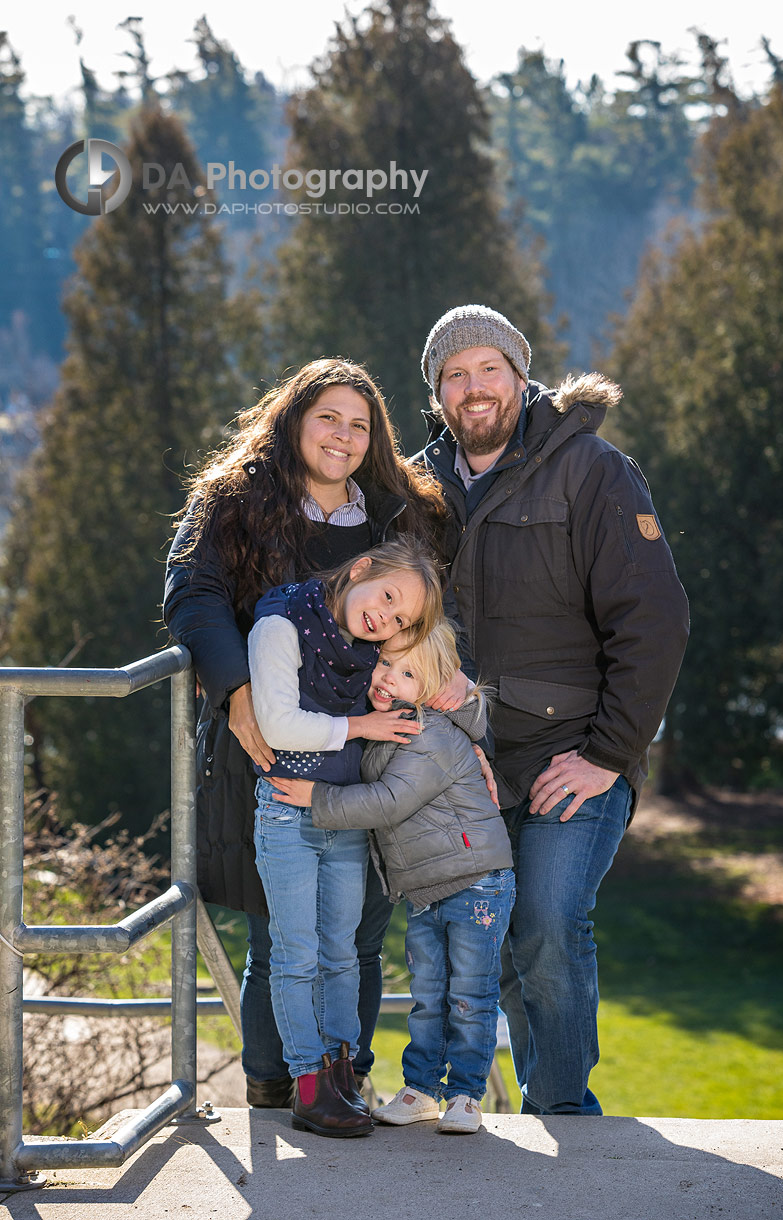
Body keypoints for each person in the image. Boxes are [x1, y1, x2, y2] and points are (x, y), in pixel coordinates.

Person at [163, 358, 466, 1110]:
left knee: (360, 931)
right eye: (328, 417)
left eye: (360, 425)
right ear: (294, 418)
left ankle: (345, 1080)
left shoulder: (400, 513)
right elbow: (192, 594)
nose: (343, 436)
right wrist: (233, 688)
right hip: (273, 744)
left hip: (372, 756)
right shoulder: (231, 500)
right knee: (280, 933)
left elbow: (427, 616)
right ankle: (277, 1086)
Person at [413, 304, 690, 1116]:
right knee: (493, 933)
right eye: (453, 375)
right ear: (436, 393)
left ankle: (566, 1115)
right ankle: (541, 1108)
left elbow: (656, 619)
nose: (473, 389)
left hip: (574, 753)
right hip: (468, 765)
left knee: (545, 922)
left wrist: (607, 754)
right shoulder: (420, 488)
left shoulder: (592, 470)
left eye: (487, 369)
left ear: (519, 374)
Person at [272, 619, 514, 1135]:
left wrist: (316, 799)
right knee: (428, 994)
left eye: (406, 673)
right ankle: (422, 1088)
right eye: (384, 663)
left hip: (476, 884)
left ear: (431, 690)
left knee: (469, 995)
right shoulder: (386, 726)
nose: (386, 678)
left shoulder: (428, 735)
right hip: (427, 889)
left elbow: (386, 802)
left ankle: (467, 1095)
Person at [247, 539, 443, 1136]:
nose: (386, 618)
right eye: (387, 596)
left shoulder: (372, 652)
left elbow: (432, 678)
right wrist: (361, 725)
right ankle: (308, 1083)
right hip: (287, 814)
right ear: (361, 569)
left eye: (401, 617)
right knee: (296, 952)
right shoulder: (281, 623)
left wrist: (464, 734)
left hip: (344, 817)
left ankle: (340, 1076)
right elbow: (279, 723)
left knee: (343, 953)